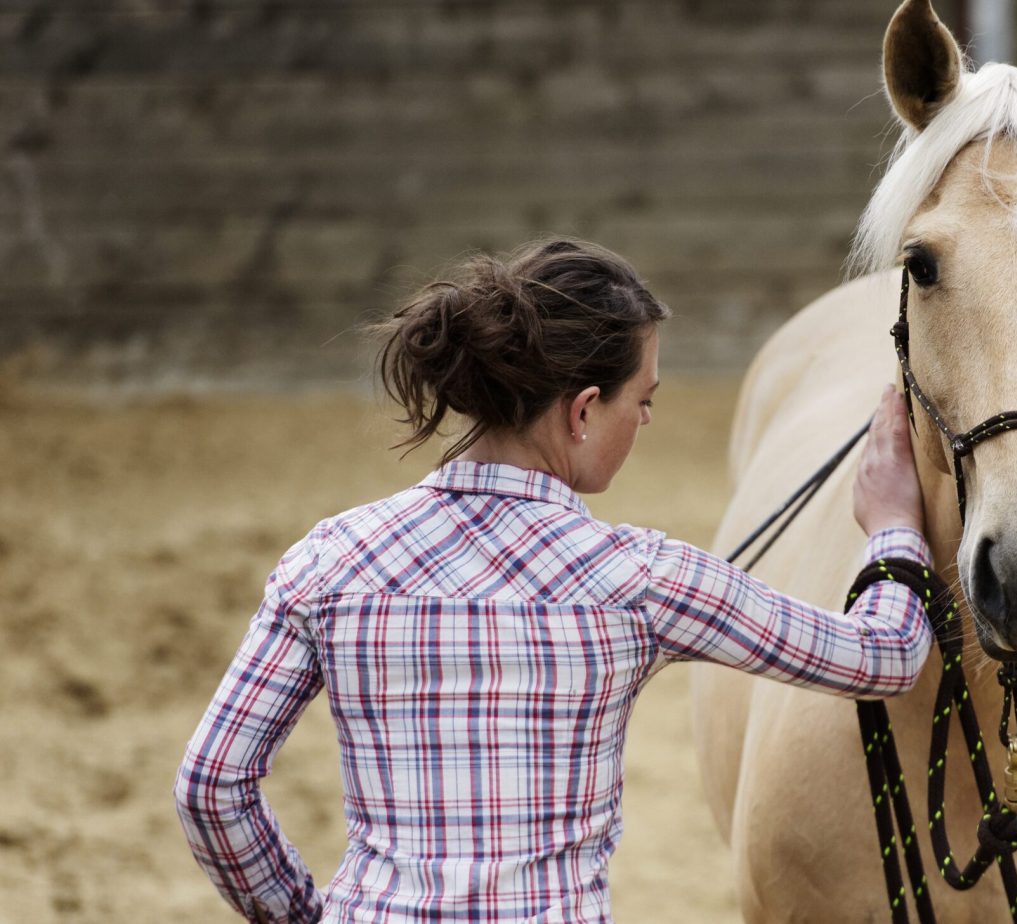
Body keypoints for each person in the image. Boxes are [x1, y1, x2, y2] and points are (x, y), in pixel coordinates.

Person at [173, 237, 933, 923]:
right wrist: (894, 524)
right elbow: (885, 657)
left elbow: (212, 785)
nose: (646, 422)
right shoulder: (639, 579)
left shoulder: (330, 561)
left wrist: (303, 916)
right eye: (644, 402)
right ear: (583, 412)